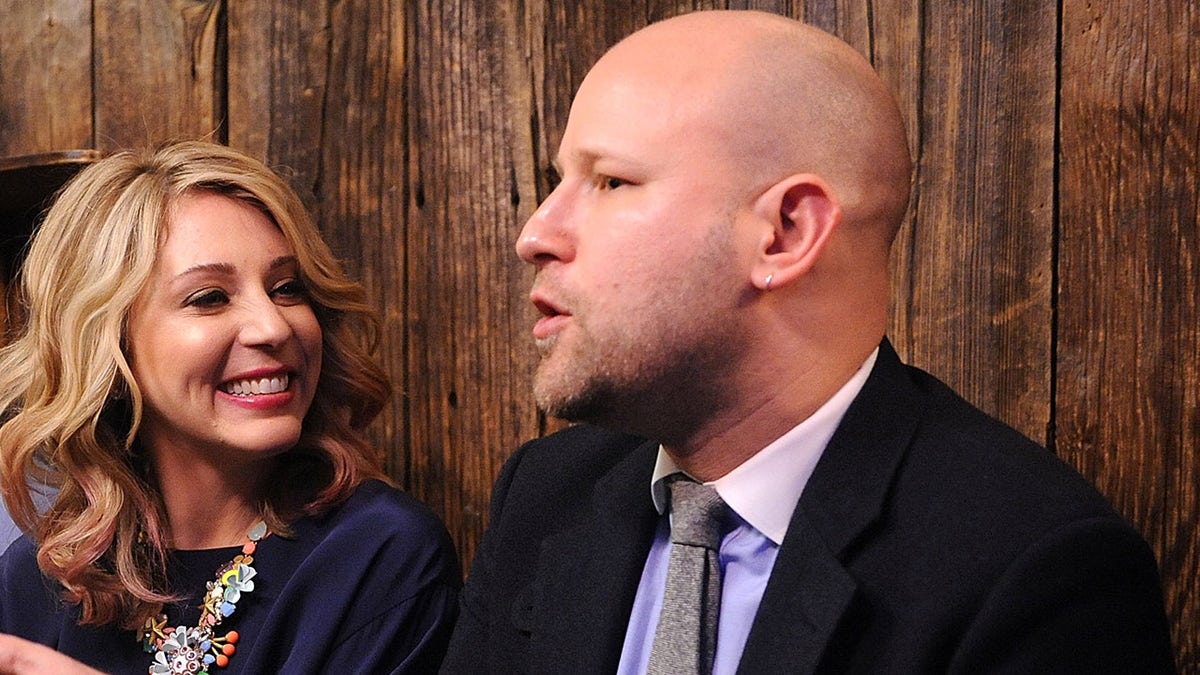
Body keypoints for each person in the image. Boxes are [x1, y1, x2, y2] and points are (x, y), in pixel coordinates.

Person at [441, 9, 1175, 674]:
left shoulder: (1029, 567)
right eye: (556, 178)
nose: (535, 233)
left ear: (786, 232)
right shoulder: (547, 492)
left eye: (611, 182)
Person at [0, 140, 460, 674]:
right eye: (209, 297)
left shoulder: (379, 555)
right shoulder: (42, 576)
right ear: (109, 349)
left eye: (287, 288)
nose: (274, 326)